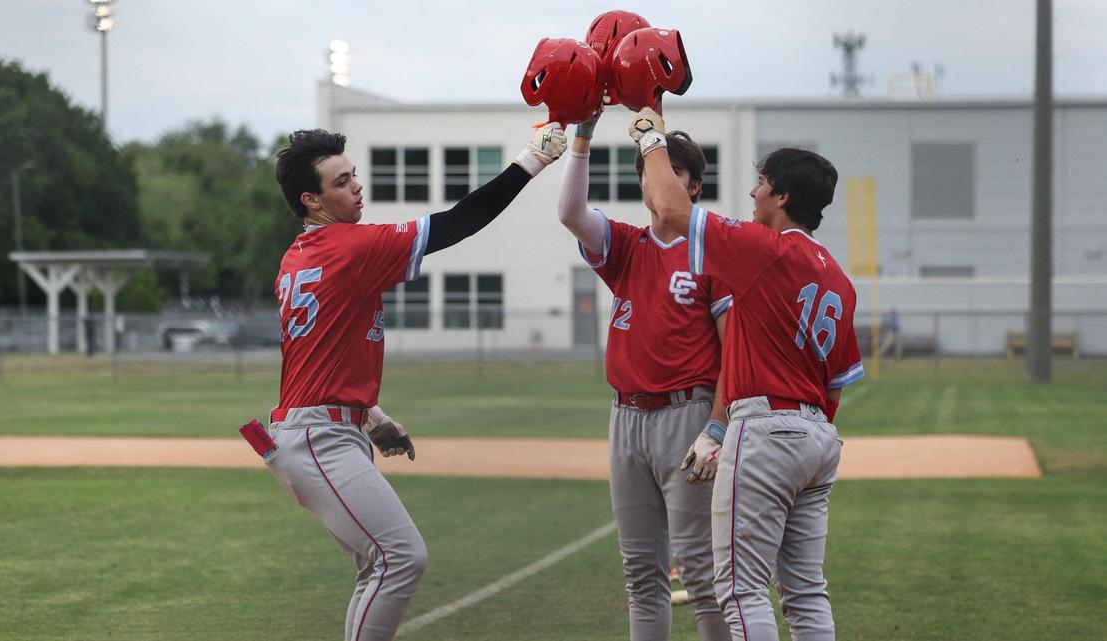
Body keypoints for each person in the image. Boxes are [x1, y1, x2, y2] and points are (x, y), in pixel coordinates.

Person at [263, 123, 566, 641]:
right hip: (320, 438)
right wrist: (531, 161)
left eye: (353, 175)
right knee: (402, 557)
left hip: (316, 430)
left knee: (377, 564)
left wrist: (371, 415)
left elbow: (314, 355)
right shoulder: (348, 248)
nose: (356, 186)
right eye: (340, 182)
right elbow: (457, 223)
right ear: (311, 200)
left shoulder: (299, 254)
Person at [629, 108, 863, 641]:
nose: (753, 193)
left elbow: (668, 207)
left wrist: (650, 136)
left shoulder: (767, 249)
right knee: (805, 591)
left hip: (766, 429)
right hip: (819, 438)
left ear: (781, 197)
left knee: (741, 590)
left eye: (762, 183)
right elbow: (834, 388)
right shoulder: (841, 281)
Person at [557, 106, 733, 641]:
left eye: (670, 172)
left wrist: (718, 426)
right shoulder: (627, 244)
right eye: (648, 170)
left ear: (694, 186)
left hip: (688, 415)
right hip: (626, 415)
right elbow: (570, 211)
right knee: (641, 575)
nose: (654, 180)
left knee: (702, 576)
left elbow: (735, 355)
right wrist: (582, 137)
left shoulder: (712, 251)